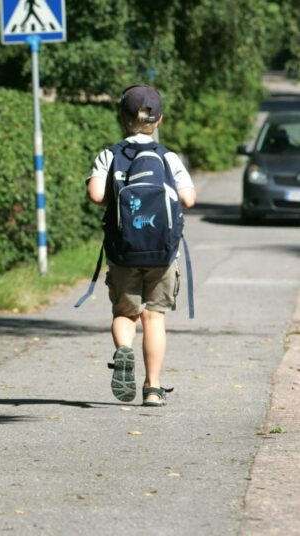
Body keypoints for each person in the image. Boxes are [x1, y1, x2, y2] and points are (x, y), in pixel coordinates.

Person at [85, 84, 197, 406]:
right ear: (159, 121)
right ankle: (153, 388)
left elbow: (95, 194)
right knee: (154, 317)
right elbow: (189, 198)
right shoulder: (168, 157)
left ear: (122, 119)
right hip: (163, 252)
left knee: (125, 313)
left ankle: (124, 350)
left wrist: (118, 201)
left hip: (123, 250)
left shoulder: (111, 154)